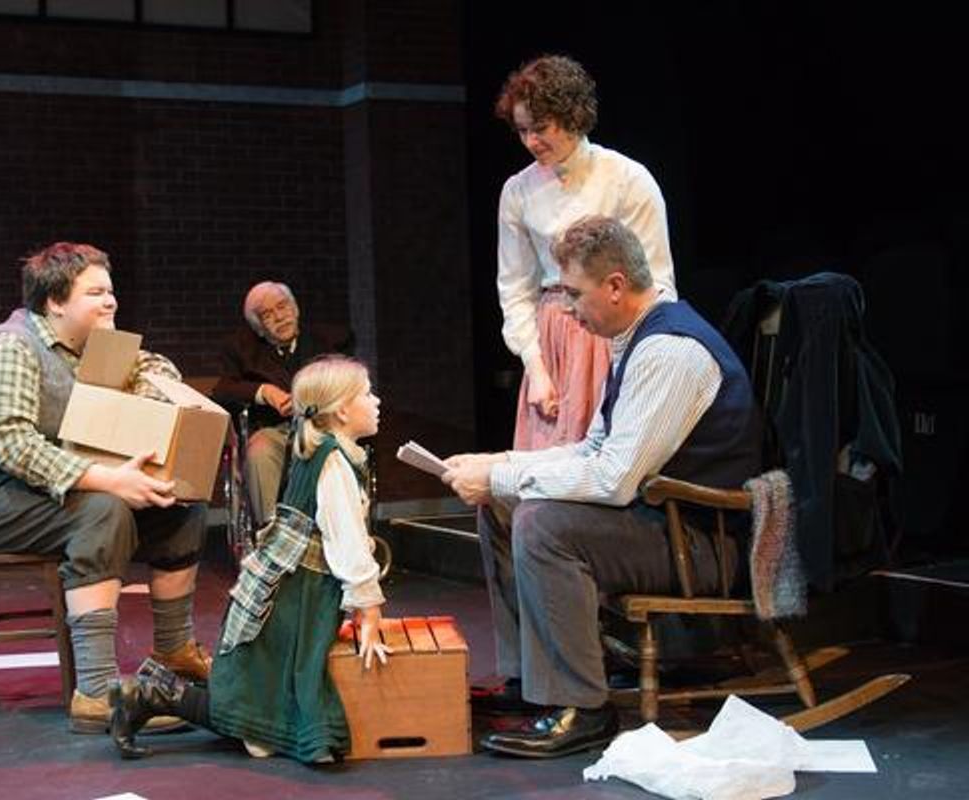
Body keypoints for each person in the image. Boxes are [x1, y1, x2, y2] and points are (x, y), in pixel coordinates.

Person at [443, 217, 760, 758]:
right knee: (503, 505)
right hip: (659, 522)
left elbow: (614, 479)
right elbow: (592, 450)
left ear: (615, 285)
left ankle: (584, 707)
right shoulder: (632, 340)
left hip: (701, 541)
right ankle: (532, 685)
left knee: (543, 524)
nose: (566, 308)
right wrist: (500, 463)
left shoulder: (670, 350)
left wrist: (499, 473)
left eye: (574, 293)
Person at [0, 242, 211, 734]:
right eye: (96, 293)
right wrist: (111, 479)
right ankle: (98, 691)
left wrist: (145, 390)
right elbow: (13, 446)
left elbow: (156, 368)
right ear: (55, 302)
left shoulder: (96, 350)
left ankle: (174, 652)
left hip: (39, 496)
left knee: (178, 504)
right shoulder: (8, 347)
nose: (112, 302)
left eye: (112, 291)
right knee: (103, 510)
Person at [109, 355, 387, 763]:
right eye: (367, 394)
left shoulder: (330, 451)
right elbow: (344, 539)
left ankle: (154, 692)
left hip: (291, 590)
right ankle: (155, 693)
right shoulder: (332, 460)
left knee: (263, 711)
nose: (377, 401)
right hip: (293, 599)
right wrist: (369, 605)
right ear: (342, 410)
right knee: (262, 726)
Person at [495, 54, 676, 450]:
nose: (530, 141)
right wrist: (536, 367)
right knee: (541, 465)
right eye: (523, 130)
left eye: (541, 129)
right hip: (552, 340)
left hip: (613, 331)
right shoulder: (518, 191)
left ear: (573, 117)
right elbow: (515, 287)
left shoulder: (627, 179)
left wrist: (634, 362)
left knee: (602, 457)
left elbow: (658, 283)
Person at [213, 281, 354, 525]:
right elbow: (222, 392)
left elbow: (350, 383)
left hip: (325, 430)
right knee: (259, 451)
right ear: (258, 327)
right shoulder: (242, 350)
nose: (279, 317)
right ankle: (273, 537)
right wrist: (264, 391)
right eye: (267, 314)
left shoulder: (328, 341)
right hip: (276, 432)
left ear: (295, 309)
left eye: (282, 306)